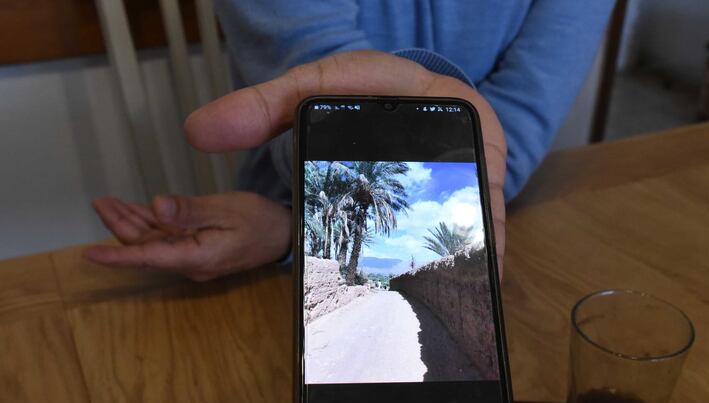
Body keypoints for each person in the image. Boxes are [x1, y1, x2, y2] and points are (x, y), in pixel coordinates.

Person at [85, 1, 615, 281]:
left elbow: (511, 138)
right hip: (293, 233)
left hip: (340, 233)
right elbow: (320, 119)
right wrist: (293, 236)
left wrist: (286, 236)